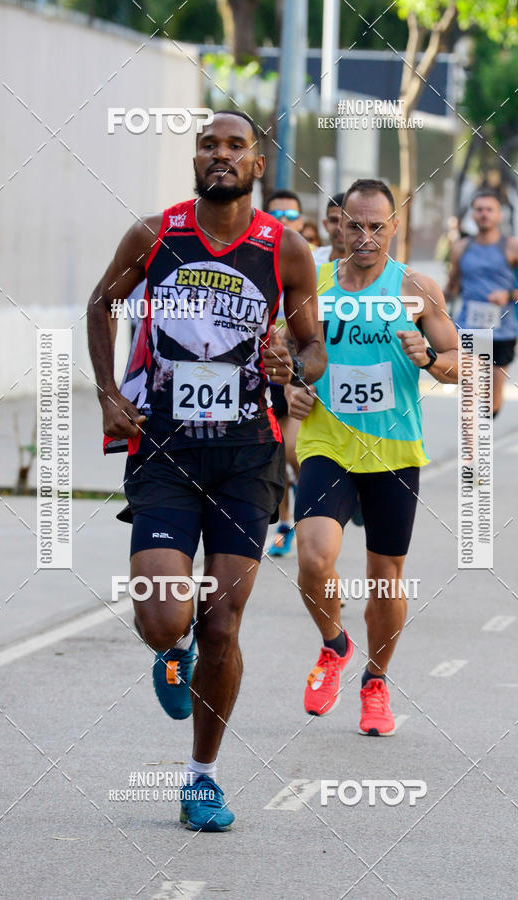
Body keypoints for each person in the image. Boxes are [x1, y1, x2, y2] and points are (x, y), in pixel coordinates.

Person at [87, 110, 326, 831]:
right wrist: (107, 392)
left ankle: (202, 779)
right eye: (207, 144)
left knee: (223, 623)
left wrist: (294, 367)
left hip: (248, 453)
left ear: (258, 164)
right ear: (195, 157)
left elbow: (314, 349)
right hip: (165, 448)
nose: (219, 155)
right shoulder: (155, 234)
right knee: (166, 617)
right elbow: (103, 303)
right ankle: (171, 650)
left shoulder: (285, 251)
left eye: (235, 146)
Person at [286, 178, 459, 735]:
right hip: (326, 442)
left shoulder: (414, 288)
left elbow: (462, 359)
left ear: (395, 225)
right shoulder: (309, 285)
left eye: (376, 226)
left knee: (385, 580)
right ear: (336, 224)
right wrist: (288, 387)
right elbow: (283, 354)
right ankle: (334, 646)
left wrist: (430, 356)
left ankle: (376, 679)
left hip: (393, 449)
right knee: (313, 557)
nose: (364, 237)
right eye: (353, 225)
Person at [445, 190, 518, 415]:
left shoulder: (513, 247)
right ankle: (474, 442)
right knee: (471, 396)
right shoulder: (461, 248)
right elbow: (451, 288)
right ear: (473, 214)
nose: (484, 214)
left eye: (489, 209)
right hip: (469, 329)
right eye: (479, 209)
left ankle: (487, 420)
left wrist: (508, 294)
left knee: (492, 403)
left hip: (502, 331)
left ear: (499, 215)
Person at [263, 189, 307, 557]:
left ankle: (319, 513)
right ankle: (284, 526)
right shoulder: (253, 258)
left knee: (294, 454)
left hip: (293, 377)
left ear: (303, 222)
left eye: (291, 216)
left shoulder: (307, 263)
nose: (283, 223)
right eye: (276, 215)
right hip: (256, 380)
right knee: (276, 459)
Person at [312, 192, 346, 266]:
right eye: (334, 220)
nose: (339, 228)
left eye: (346, 220)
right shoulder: (312, 261)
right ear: (325, 224)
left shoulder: (368, 264)